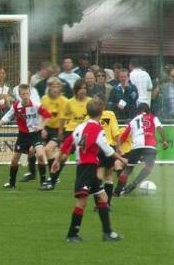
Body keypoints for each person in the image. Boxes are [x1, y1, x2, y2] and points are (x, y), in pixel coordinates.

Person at [51, 99, 127, 242]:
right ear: (101, 113)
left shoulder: (80, 127)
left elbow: (68, 142)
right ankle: (72, 234)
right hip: (88, 168)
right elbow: (107, 150)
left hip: (86, 168)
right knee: (82, 201)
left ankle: (108, 233)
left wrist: (56, 160)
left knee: (102, 197)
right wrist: (122, 159)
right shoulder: (98, 129)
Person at [0, 84, 51, 190]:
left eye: (27, 93)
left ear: (30, 93)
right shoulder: (16, 106)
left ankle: (43, 182)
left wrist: (41, 125)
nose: (26, 95)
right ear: (19, 95)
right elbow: (6, 117)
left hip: (35, 134)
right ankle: (11, 183)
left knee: (41, 156)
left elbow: (48, 116)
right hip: (23, 135)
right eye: (23, 94)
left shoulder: (36, 105)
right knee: (14, 160)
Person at [114, 103, 169, 196]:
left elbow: (123, 136)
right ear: (148, 110)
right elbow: (159, 127)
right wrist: (164, 141)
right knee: (148, 167)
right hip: (150, 146)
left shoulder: (133, 120)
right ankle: (133, 184)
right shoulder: (153, 117)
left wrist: (118, 148)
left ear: (138, 111)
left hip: (136, 146)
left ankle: (116, 192)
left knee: (128, 170)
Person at [52, 79, 91, 185]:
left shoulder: (90, 102)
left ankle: (86, 181)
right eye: (80, 88)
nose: (83, 91)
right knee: (63, 157)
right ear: (76, 90)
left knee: (85, 158)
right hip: (71, 132)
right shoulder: (69, 102)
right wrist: (60, 132)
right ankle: (53, 179)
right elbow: (63, 117)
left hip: (85, 134)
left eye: (85, 88)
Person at [40, 77, 70, 189]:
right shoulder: (44, 99)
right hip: (47, 129)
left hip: (59, 130)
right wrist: (42, 128)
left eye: (57, 86)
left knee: (48, 150)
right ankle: (36, 174)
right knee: (33, 151)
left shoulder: (65, 101)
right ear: (49, 88)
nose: (55, 89)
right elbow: (42, 115)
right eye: (53, 86)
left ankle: (53, 176)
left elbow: (68, 116)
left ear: (60, 88)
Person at [94, 93, 120, 208]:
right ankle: (107, 203)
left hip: (98, 148)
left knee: (99, 175)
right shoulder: (110, 114)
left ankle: (99, 204)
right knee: (109, 175)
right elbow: (116, 134)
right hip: (109, 147)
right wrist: (118, 150)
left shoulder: (92, 116)